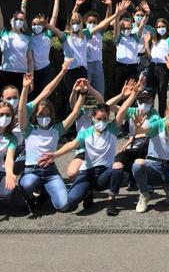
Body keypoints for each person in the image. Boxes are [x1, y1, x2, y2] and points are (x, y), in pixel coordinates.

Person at [42, 81, 142, 216]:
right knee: (67, 205)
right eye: (98, 118)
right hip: (87, 173)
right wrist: (55, 155)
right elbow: (72, 145)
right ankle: (87, 191)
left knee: (118, 167)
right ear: (92, 117)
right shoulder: (86, 132)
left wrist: (133, 94)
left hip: (105, 173)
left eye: (105, 119)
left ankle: (111, 200)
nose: (101, 122)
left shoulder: (112, 129)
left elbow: (123, 109)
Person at [15, 72, 83, 216]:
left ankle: (45, 191)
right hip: (31, 170)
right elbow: (21, 110)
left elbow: (75, 112)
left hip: (50, 172)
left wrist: (82, 93)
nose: (43, 117)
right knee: (27, 184)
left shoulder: (57, 129)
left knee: (63, 205)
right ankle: (30, 200)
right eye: (40, 115)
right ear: (35, 116)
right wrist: (25, 88)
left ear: (51, 115)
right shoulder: (28, 129)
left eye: (46, 115)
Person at [44, 0, 127, 108]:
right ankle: (70, 123)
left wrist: (116, 14)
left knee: (86, 97)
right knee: (71, 99)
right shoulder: (66, 36)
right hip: (70, 71)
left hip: (83, 69)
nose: (76, 25)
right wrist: (46, 25)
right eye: (74, 23)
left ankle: (92, 117)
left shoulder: (85, 35)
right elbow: (58, 28)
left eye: (78, 23)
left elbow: (103, 23)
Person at [0, 0, 33, 99]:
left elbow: (30, 60)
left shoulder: (27, 37)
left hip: (22, 75)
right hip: (6, 73)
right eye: (16, 19)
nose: (18, 21)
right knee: (1, 102)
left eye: (21, 20)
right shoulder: (4, 34)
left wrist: (31, 78)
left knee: (20, 103)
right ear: (10, 20)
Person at [142, 8, 169, 114]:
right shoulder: (154, 39)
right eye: (158, 27)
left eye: (163, 27)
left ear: (166, 27)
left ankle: (162, 116)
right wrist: (146, 43)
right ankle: (151, 114)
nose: (161, 28)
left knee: (162, 93)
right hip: (152, 66)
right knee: (151, 93)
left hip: (163, 68)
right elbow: (149, 55)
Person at [83, 0, 112, 96]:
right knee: (85, 92)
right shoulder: (83, 33)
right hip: (87, 64)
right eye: (90, 22)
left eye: (95, 22)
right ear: (85, 23)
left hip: (98, 64)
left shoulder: (100, 32)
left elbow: (107, 20)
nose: (92, 24)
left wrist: (109, 6)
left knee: (99, 92)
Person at [112, 6, 142, 91]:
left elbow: (141, 27)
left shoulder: (135, 37)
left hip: (132, 68)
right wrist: (117, 15)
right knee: (118, 90)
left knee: (131, 90)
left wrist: (147, 15)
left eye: (128, 28)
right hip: (120, 67)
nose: (126, 30)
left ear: (132, 28)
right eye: (123, 28)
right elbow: (116, 29)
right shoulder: (118, 38)